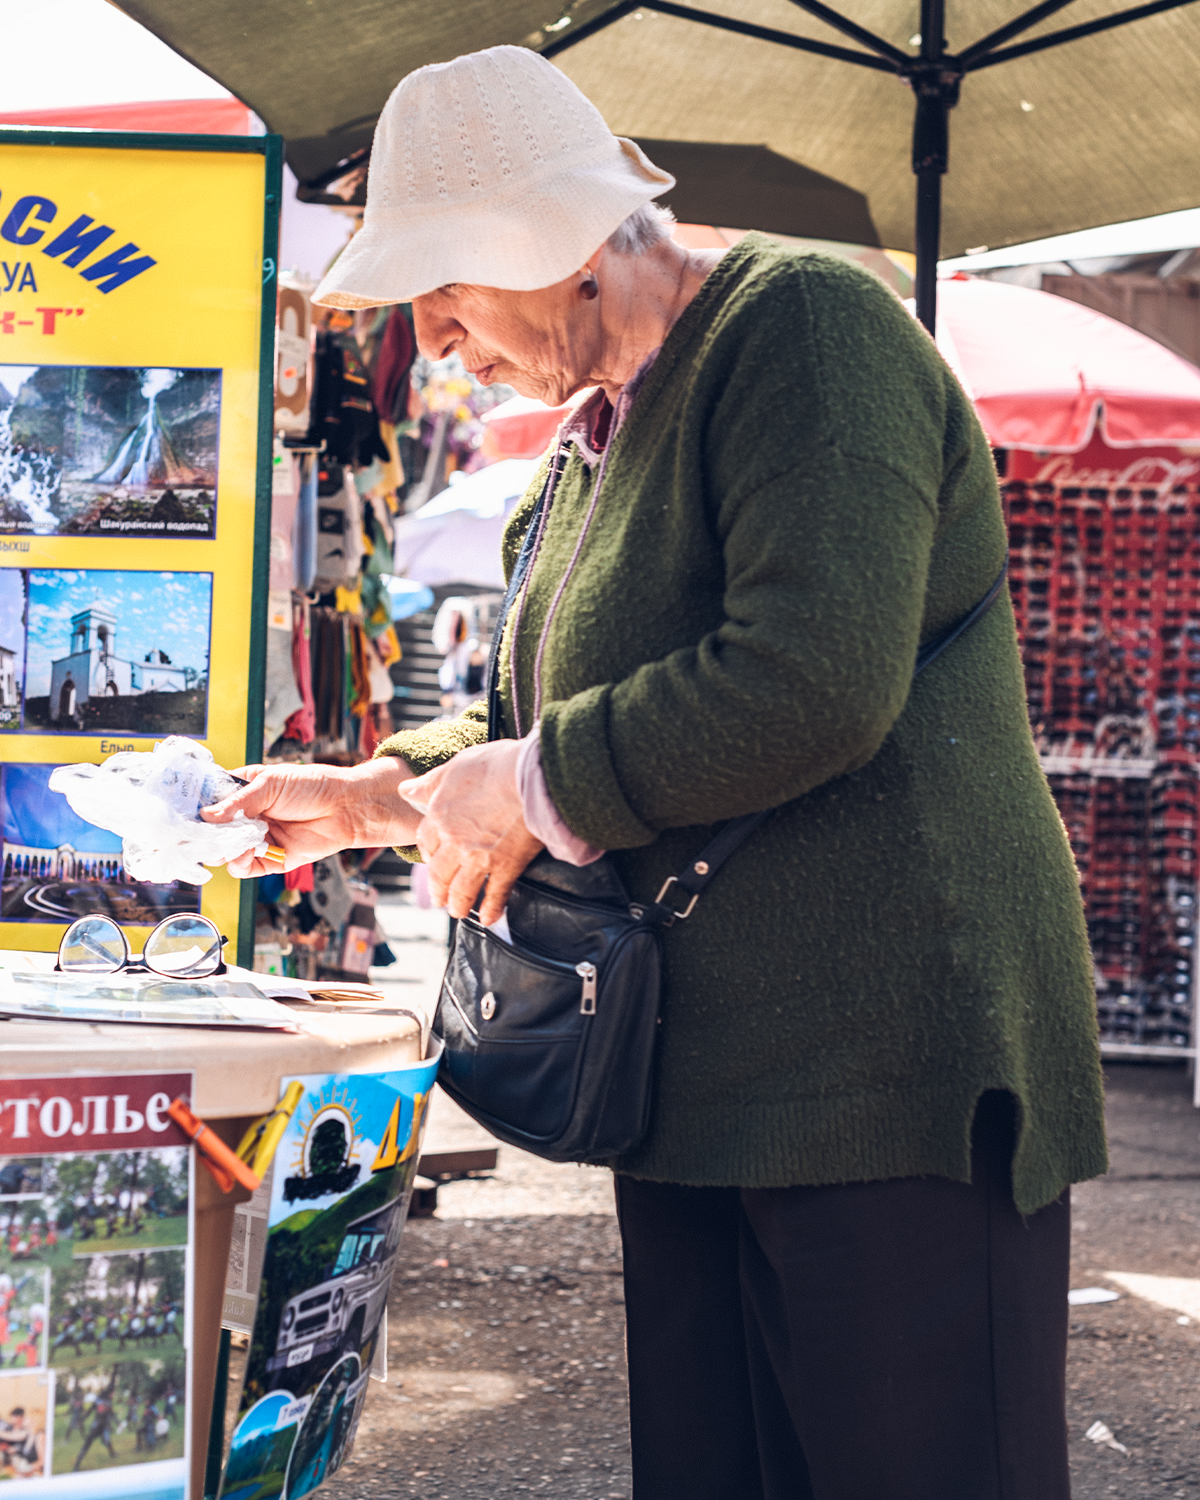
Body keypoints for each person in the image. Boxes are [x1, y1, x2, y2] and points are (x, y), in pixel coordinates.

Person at [202, 45, 1107, 1500]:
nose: (431, 338)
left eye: (445, 288)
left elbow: (811, 677)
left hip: (890, 1063)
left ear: (560, 244)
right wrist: (365, 796)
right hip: (693, 1077)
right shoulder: (582, 454)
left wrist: (531, 781)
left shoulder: (802, 327)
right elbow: (534, 721)